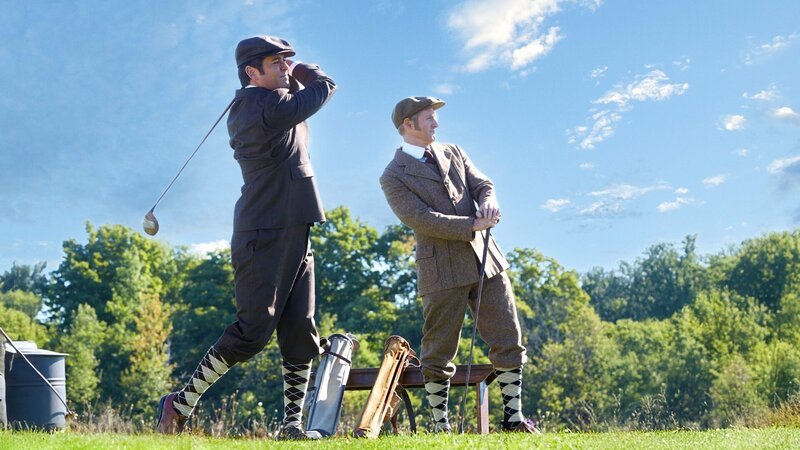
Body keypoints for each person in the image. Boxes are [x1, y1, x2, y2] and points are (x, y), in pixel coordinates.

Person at [155, 35, 336, 440]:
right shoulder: (260, 105)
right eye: (277, 63)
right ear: (252, 72)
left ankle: (291, 425)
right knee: (254, 330)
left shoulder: (273, 102)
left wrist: (291, 72)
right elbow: (322, 91)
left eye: (288, 61)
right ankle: (180, 402)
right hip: (264, 231)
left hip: (295, 224)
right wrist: (310, 71)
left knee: (300, 327)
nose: (287, 68)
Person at [379, 97, 538, 433]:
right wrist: (471, 225)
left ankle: (513, 419)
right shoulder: (392, 176)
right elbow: (420, 219)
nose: (436, 124)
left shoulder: (454, 151)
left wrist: (489, 203)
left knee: (508, 336)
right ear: (408, 124)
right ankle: (441, 427)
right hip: (440, 269)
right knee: (438, 351)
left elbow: (484, 185)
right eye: (428, 118)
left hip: (485, 260)